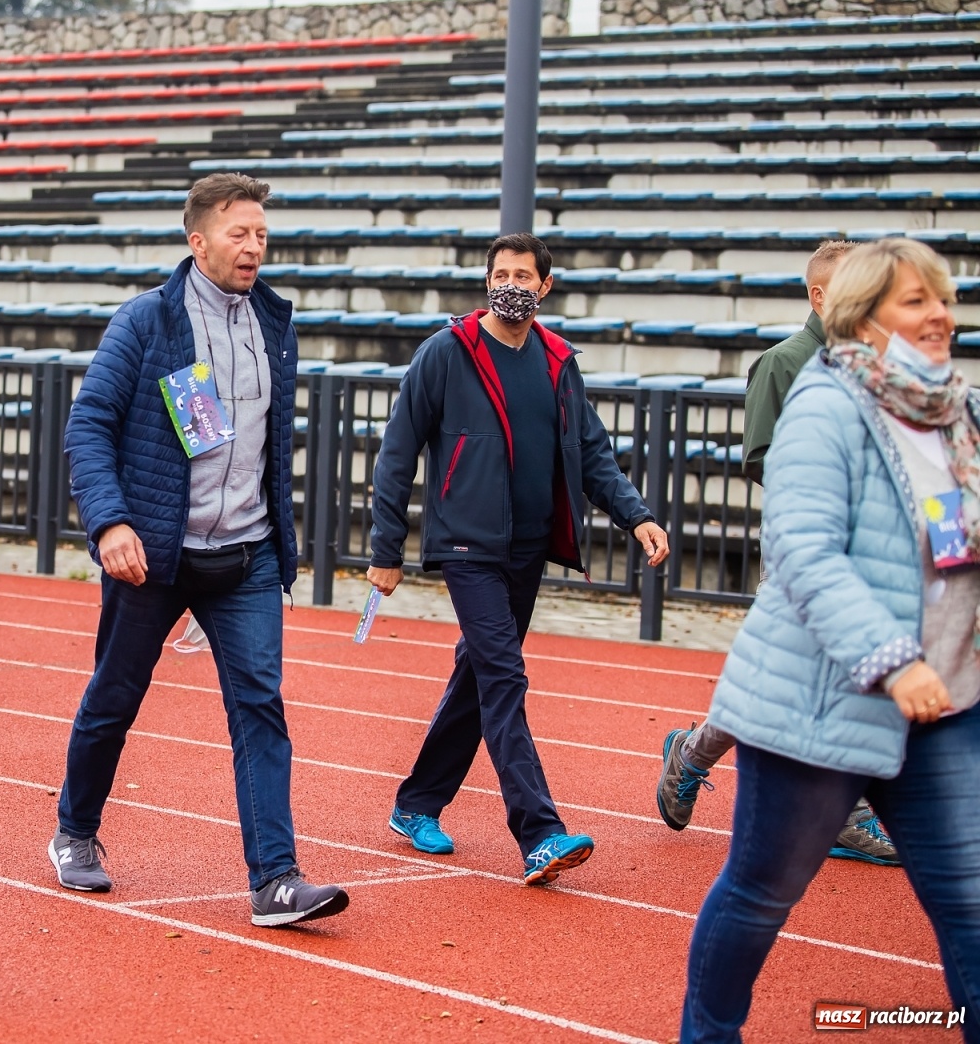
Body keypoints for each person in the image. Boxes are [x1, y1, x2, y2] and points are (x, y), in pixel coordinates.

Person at [680, 236, 980, 1043]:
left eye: (943, 299)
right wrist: (894, 661)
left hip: (945, 701)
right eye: (915, 300)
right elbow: (805, 554)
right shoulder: (825, 404)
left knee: (971, 908)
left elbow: (958, 543)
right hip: (821, 703)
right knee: (760, 895)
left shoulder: (955, 411)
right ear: (862, 316)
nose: (940, 315)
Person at [48, 172, 350, 928]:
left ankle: (276, 879)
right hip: (155, 555)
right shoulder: (146, 321)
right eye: (238, 233)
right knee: (115, 697)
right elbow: (88, 425)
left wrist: (276, 538)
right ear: (198, 241)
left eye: (261, 234)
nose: (253, 247)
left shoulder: (275, 322)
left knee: (261, 708)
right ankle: (75, 831)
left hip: (246, 555)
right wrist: (111, 524)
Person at [367, 233, 670, 885]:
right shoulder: (447, 352)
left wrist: (637, 516)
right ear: (486, 281)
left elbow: (593, 454)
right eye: (500, 273)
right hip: (466, 546)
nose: (510, 284)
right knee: (504, 676)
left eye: (523, 276)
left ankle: (416, 803)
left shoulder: (557, 360)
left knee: (479, 677)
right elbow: (397, 452)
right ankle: (540, 833)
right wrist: (386, 548)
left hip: (528, 548)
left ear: (545, 287)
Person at [655, 239, 900, 868]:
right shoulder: (784, 363)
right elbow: (763, 458)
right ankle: (698, 756)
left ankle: (842, 808)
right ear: (820, 296)